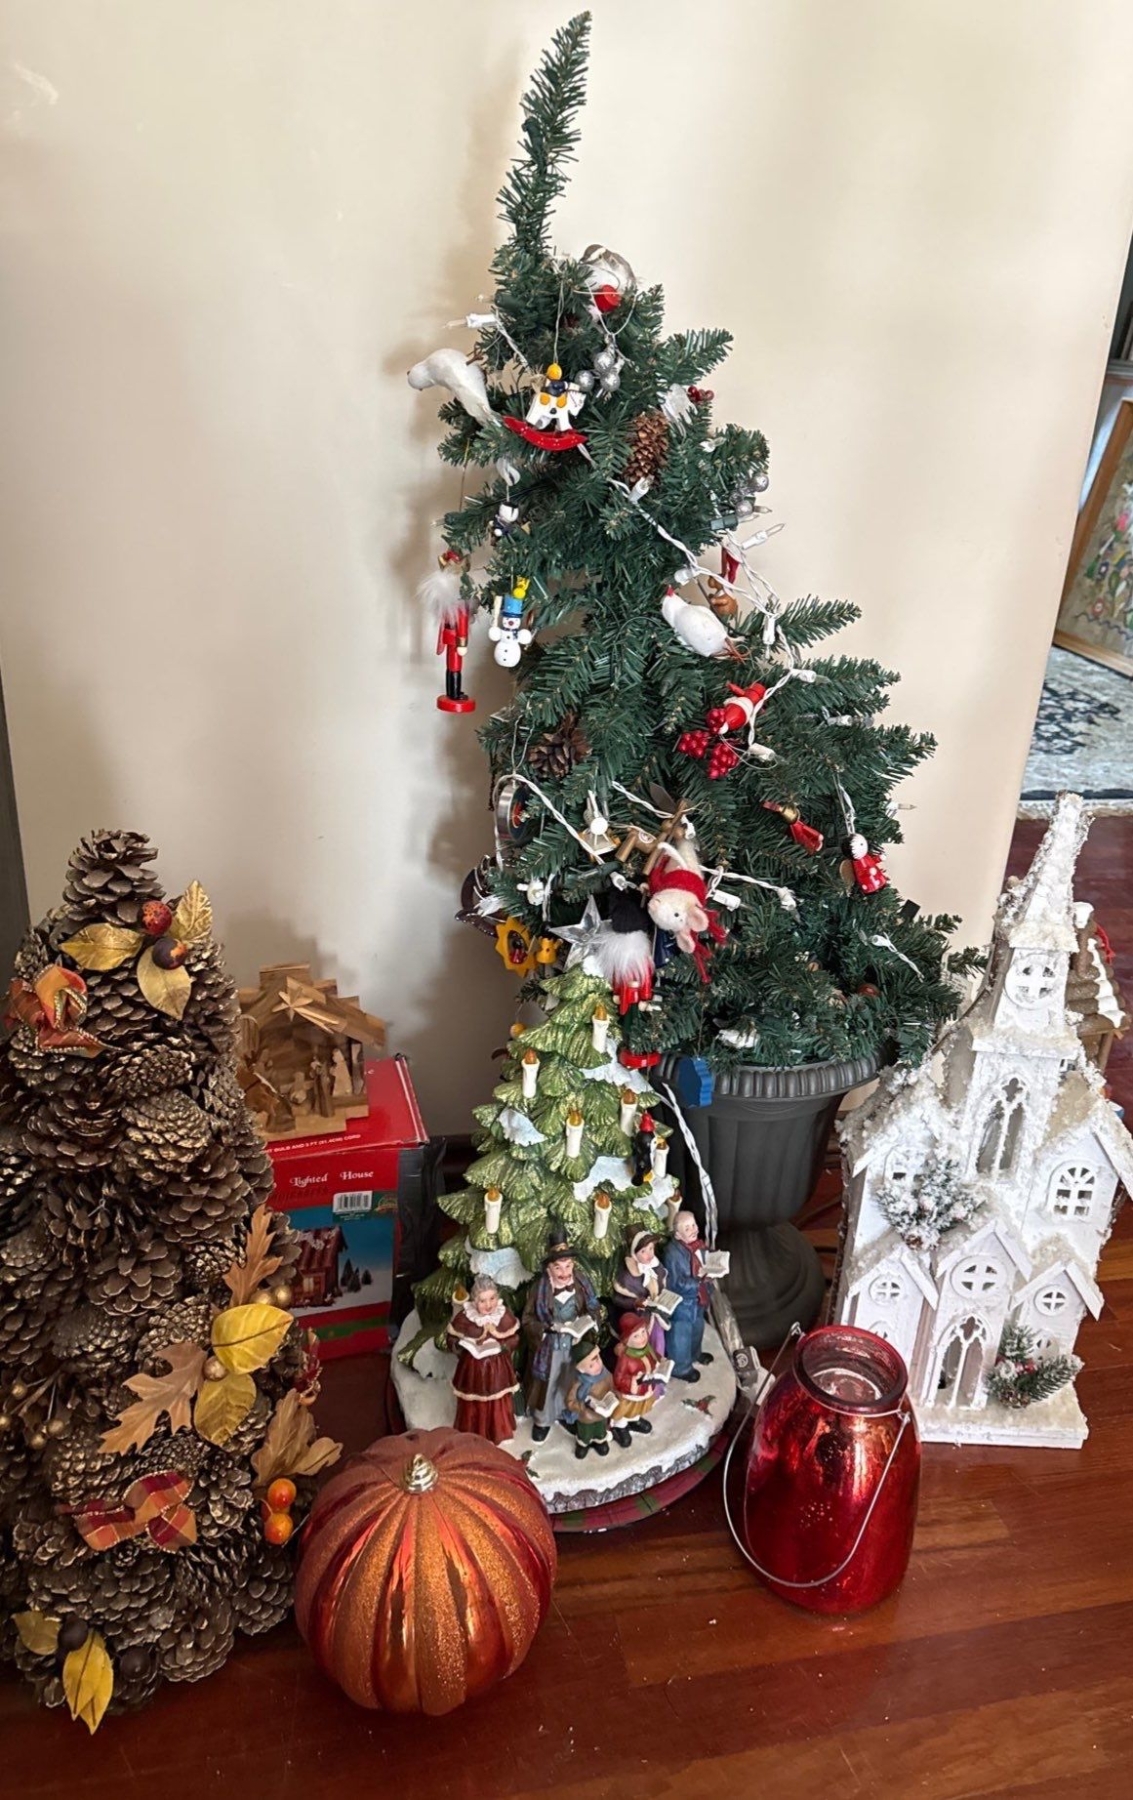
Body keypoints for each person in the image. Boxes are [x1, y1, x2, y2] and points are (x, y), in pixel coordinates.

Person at [522, 1232, 601, 1443]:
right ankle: (543, 1419)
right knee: (549, 1383)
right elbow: (527, 1319)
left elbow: (594, 1306)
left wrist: (590, 1320)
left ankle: (567, 1413)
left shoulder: (581, 1284)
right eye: (558, 1268)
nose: (564, 1273)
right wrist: (546, 1328)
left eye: (568, 1266)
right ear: (549, 1269)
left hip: (575, 1345)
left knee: (570, 1382)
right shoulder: (540, 1289)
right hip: (551, 1347)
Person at [447, 1274, 520, 1444]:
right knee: (473, 1400)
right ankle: (474, 1429)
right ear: (474, 1301)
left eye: (492, 1298)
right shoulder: (465, 1317)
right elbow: (451, 1339)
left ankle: (498, 1430)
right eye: (482, 1301)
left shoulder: (503, 1315)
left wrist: (504, 1346)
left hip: (497, 1368)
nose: (488, 1305)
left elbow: (514, 1338)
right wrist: (460, 1345)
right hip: (473, 1369)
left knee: (498, 1398)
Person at [662, 1209, 716, 1382]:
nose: (693, 1230)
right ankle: (681, 1367)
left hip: (699, 1298)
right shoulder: (672, 1253)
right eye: (687, 1228)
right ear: (677, 1234)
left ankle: (695, 1354)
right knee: (681, 1334)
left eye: (693, 1225)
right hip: (683, 1302)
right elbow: (676, 1283)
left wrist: (715, 1266)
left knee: (697, 1328)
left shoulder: (698, 1246)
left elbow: (706, 1262)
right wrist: (699, 1281)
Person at [611, 1312, 666, 1447]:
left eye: (643, 1332)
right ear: (627, 1340)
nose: (642, 1338)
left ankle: (634, 1420)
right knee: (626, 1410)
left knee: (639, 1407)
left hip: (645, 1389)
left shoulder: (647, 1349)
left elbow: (654, 1357)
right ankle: (620, 1427)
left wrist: (662, 1362)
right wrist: (633, 1381)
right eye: (636, 1336)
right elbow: (618, 1378)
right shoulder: (625, 1358)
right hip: (631, 1393)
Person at [613, 1230, 669, 1355]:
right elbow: (618, 1299)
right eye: (643, 1251)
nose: (649, 1254)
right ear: (634, 1254)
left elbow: (661, 1283)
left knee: (659, 1341)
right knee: (642, 1346)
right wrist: (636, 1302)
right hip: (638, 1320)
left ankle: (658, 1359)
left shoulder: (656, 1267)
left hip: (656, 1315)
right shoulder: (627, 1277)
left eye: (651, 1248)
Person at [563, 1336, 617, 1460]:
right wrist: (581, 1407)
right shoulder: (577, 1382)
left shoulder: (606, 1373)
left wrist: (614, 1395)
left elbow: (612, 1385)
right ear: (582, 1369)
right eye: (591, 1365)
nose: (597, 1366)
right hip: (586, 1415)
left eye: (597, 1360)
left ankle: (600, 1440)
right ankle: (583, 1443)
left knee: (600, 1429)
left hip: (602, 1412)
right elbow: (570, 1400)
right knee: (585, 1431)